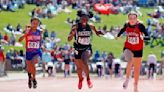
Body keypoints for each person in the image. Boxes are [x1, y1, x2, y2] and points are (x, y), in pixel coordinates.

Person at [68, 9, 103, 90]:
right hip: (77, 49)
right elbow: (69, 39)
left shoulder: (91, 26)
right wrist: (72, 34)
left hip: (87, 48)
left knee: (84, 60)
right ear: (80, 18)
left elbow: (97, 32)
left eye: (86, 18)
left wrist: (99, 32)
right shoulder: (75, 26)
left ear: (88, 19)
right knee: (79, 68)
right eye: (83, 18)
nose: (84, 20)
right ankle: (80, 79)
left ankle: (88, 79)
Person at [116, 11, 149, 92]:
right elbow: (122, 30)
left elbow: (147, 35)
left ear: (136, 19)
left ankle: (135, 85)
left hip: (138, 48)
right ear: (128, 19)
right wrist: (118, 35)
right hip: (128, 47)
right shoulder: (126, 24)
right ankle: (127, 79)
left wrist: (144, 37)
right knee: (130, 60)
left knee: (137, 69)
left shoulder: (140, 26)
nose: (132, 20)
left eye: (134, 18)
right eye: (130, 18)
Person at [19, 17, 43, 89]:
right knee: (29, 67)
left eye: (37, 23)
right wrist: (25, 34)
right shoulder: (27, 31)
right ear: (31, 23)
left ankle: (34, 78)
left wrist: (40, 46)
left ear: (38, 24)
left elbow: (40, 40)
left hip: (37, 52)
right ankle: (30, 78)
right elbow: (19, 40)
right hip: (29, 52)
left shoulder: (40, 31)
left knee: (34, 63)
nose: (35, 25)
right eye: (33, 23)